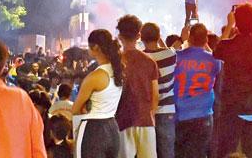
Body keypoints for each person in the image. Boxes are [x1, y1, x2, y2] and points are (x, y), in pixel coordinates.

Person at [212, 0, 252, 158]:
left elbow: (217, 50)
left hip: (232, 108)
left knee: (228, 152)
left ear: (236, 23)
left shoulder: (228, 46)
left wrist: (230, 24)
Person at [71, 29, 124, 158]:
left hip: (93, 130)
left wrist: (84, 107)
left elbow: (75, 109)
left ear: (95, 47)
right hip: (112, 128)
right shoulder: (118, 70)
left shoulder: (95, 76)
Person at [173, 24, 221, 158]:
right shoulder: (214, 60)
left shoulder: (177, 57)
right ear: (206, 39)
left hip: (181, 114)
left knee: (180, 153)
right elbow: (216, 61)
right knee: (200, 153)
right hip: (204, 113)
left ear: (190, 38)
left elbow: (167, 53)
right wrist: (205, 44)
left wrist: (182, 40)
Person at [116, 15, 160, 158]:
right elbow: (155, 95)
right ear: (139, 36)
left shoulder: (116, 63)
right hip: (145, 119)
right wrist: (150, 114)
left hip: (122, 121)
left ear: (120, 36)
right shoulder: (149, 62)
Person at [143, 22, 178, 158]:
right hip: (166, 110)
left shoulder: (141, 58)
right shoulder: (170, 54)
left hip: (146, 112)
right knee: (167, 152)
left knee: (147, 152)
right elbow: (169, 49)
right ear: (158, 37)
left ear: (141, 38)